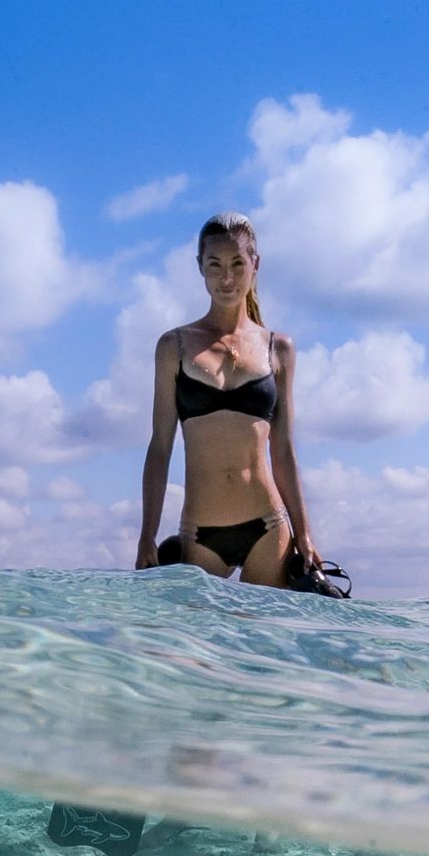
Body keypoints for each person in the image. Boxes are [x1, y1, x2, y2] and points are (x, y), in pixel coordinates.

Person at [135, 212, 321, 585]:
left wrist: (304, 532)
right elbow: (160, 447)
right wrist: (147, 534)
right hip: (200, 532)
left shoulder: (278, 348)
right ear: (200, 267)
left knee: (262, 642)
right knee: (193, 644)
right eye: (215, 264)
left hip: (268, 527)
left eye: (238, 263)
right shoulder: (174, 346)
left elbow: (283, 450)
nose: (227, 277)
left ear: (256, 265)